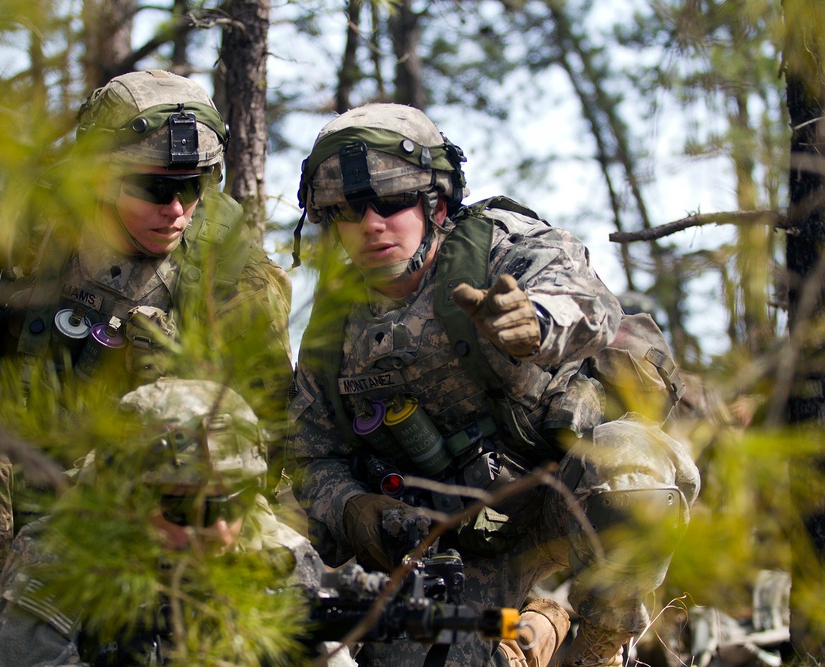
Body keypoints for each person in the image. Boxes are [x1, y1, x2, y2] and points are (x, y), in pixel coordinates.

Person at [286, 103, 701, 667]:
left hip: (558, 501)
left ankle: (599, 649)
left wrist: (538, 322)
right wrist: (355, 508)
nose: (371, 223)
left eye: (391, 200)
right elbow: (311, 456)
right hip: (449, 546)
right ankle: (536, 628)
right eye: (346, 210)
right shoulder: (335, 327)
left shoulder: (497, 248)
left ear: (436, 201)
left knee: (632, 473)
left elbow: (590, 301)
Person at [0, 70, 292, 666]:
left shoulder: (228, 269)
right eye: (152, 187)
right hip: (14, 464)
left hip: (149, 492)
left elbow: (266, 421)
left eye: (192, 188)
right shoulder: (33, 222)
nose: (175, 209)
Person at [0, 378, 355, 667]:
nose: (219, 531)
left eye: (235, 502)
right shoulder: (63, 555)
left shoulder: (279, 555)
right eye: (188, 508)